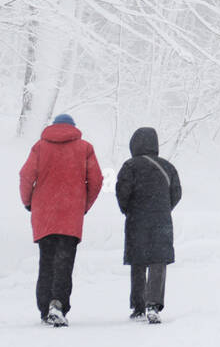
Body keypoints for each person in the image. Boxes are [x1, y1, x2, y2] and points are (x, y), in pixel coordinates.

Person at [19, 113, 103, 327]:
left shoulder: (40, 147)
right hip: (70, 215)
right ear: (73, 127)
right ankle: (58, 304)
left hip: (44, 214)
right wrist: (83, 205)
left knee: (46, 262)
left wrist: (28, 202)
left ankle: (44, 308)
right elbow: (96, 180)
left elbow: (26, 176)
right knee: (64, 263)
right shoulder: (85, 148)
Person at [116, 127, 182, 324]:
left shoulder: (129, 166)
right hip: (161, 220)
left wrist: (128, 209)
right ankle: (153, 304)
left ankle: (138, 306)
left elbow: (122, 192)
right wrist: (164, 208)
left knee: (138, 261)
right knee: (157, 261)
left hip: (137, 220)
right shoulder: (168, 167)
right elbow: (177, 193)